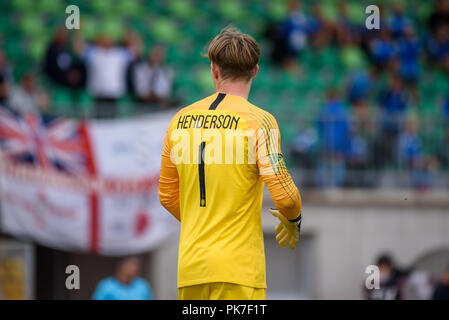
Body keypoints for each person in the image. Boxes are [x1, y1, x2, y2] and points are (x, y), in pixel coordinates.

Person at [158, 27, 302, 300]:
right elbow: (285, 197)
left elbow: (166, 195)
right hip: (238, 271)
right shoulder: (261, 121)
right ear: (255, 71)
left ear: (214, 69)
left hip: (191, 270)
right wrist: (294, 220)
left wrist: (202, 221)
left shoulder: (180, 119)